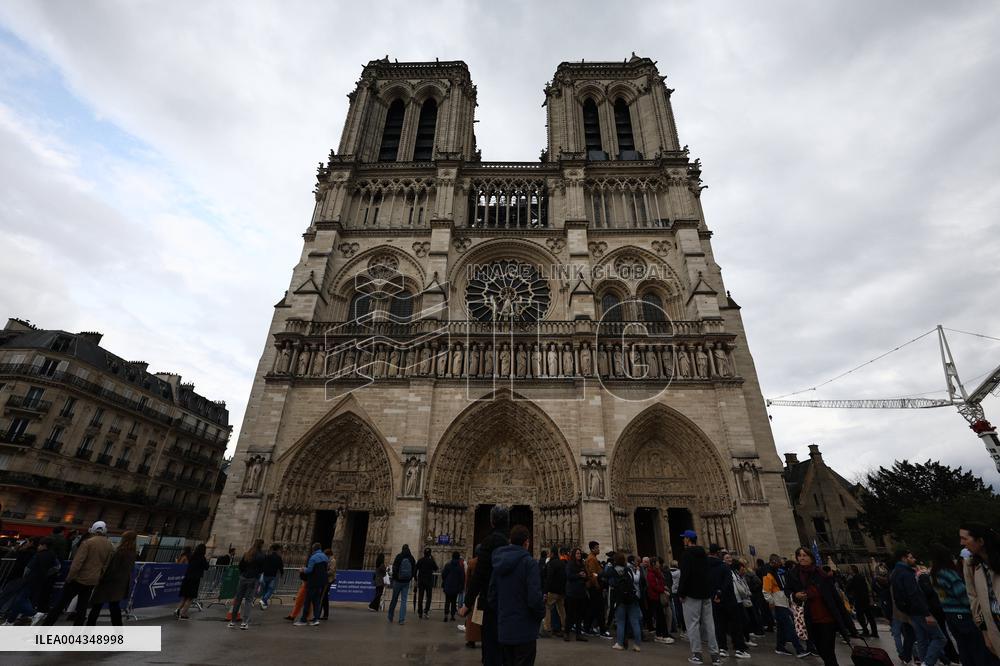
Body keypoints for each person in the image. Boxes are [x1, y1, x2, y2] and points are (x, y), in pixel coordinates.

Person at [929, 542, 999, 666]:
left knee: (964, 649)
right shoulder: (948, 573)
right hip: (963, 615)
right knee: (978, 648)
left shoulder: (933, 575)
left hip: (950, 616)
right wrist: (977, 604)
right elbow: (962, 595)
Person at [487, 524, 545, 666]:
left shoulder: (498, 562)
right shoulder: (529, 563)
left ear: (510, 540)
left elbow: (492, 596)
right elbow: (534, 598)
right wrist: (540, 614)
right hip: (525, 631)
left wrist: (503, 613)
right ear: (526, 543)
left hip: (505, 629)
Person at [460, 504, 510, 666]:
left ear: (492, 521)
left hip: (490, 601)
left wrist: (467, 603)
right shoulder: (512, 542)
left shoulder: (489, 542)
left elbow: (479, 575)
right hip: (509, 603)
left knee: (490, 644)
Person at [786, 546, 852, 666]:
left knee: (828, 651)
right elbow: (788, 590)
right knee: (821, 650)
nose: (802, 558)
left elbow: (835, 599)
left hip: (827, 618)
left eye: (804, 555)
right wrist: (795, 595)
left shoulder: (821, 574)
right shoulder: (793, 574)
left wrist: (848, 624)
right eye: (799, 555)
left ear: (811, 557)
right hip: (810, 619)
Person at [42, 521, 114, 626]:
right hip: (92, 580)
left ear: (93, 530)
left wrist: (70, 577)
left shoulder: (88, 543)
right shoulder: (109, 545)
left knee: (60, 605)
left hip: (78, 578)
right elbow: (106, 565)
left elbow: (77, 563)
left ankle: (44, 629)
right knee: (82, 607)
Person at [892, 547, 947, 666]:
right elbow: (914, 595)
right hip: (919, 611)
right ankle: (927, 663)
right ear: (903, 558)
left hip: (911, 612)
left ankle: (924, 661)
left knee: (922, 640)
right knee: (940, 638)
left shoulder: (895, 573)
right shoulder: (906, 573)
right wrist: (926, 613)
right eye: (911, 557)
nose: (914, 559)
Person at [678, 530, 720, 665]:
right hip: (706, 594)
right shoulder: (704, 555)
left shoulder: (686, 555)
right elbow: (708, 574)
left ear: (688, 540)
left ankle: (697, 654)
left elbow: (685, 575)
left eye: (684, 538)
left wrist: (681, 593)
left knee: (693, 624)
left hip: (692, 594)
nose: (683, 540)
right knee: (710, 624)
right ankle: (715, 655)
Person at [960, 523, 1000, 661]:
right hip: (995, 628)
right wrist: (985, 632)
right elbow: (974, 599)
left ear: (981, 541)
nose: (962, 543)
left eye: (965, 538)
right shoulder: (971, 565)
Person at [85, 530, 136, 626]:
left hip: (109, 582)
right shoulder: (132, 552)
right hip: (121, 583)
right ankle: (118, 628)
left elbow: (112, 568)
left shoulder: (120, 552)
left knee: (97, 605)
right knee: (114, 606)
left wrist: (102, 578)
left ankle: (90, 625)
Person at [763, 553, 808, 657]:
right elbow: (766, 591)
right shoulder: (768, 574)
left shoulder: (776, 572)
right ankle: (799, 649)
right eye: (778, 562)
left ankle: (780, 647)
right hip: (778, 604)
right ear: (773, 562)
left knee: (782, 627)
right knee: (789, 626)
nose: (780, 564)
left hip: (782, 602)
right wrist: (771, 602)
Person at [714, 550, 751, 659]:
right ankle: (727, 648)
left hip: (736, 600)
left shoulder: (733, 571)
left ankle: (739, 646)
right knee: (727, 626)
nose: (729, 559)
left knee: (737, 625)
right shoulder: (722, 570)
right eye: (727, 558)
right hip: (726, 601)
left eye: (730, 558)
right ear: (722, 560)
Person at [607, 552, 643, 652]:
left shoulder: (613, 570)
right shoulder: (628, 569)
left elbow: (607, 579)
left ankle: (619, 643)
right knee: (635, 622)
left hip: (620, 599)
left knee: (621, 622)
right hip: (631, 598)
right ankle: (637, 645)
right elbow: (633, 581)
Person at [230, 539, 265, 630]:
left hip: (243, 578)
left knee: (238, 599)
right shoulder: (261, 556)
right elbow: (262, 569)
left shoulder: (247, 554)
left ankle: (232, 622)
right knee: (248, 601)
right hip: (253, 579)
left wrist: (243, 573)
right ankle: (244, 622)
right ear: (261, 545)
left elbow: (240, 566)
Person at [294, 543, 329, 627]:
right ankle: (316, 619)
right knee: (316, 601)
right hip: (321, 582)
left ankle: (303, 620)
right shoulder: (325, 557)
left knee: (307, 601)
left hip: (312, 582)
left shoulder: (313, 558)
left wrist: (302, 569)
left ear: (313, 549)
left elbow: (309, 570)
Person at [175, 543, 209, 620]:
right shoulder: (202, 558)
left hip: (187, 577)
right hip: (195, 579)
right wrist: (206, 560)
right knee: (190, 597)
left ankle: (177, 610)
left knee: (184, 596)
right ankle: (183, 614)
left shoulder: (192, 556)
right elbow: (206, 567)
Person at [647, 557, 675, 644]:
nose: (659, 564)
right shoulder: (651, 574)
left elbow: (660, 583)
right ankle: (664, 635)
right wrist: (663, 590)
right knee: (661, 616)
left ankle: (659, 634)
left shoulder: (657, 573)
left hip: (659, 596)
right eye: (657, 563)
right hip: (655, 597)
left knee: (661, 616)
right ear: (653, 564)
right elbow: (654, 586)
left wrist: (664, 588)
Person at [846, 564, 879, 638]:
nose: (848, 570)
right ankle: (874, 632)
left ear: (852, 570)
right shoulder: (861, 577)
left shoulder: (854, 578)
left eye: (849, 569)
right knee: (870, 617)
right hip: (865, 599)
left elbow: (848, 588)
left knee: (860, 616)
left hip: (860, 600)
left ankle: (865, 630)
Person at [542, 546, 568, 637]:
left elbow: (549, 578)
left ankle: (547, 629)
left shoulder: (551, 563)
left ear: (552, 553)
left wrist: (545, 591)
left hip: (553, 591)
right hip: (561, 591)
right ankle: (565, 628)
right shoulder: (562, 563)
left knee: (547, 607)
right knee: (562, 610)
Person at [387, 544, 416, 625]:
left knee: (394, 599)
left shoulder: (399, 556)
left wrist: (396, 578)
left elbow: (394, 568)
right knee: (404, 601)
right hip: (406, 582)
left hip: (398, 582)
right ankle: (401, 620)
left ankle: (390, 616)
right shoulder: (411, 558)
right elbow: (414, 569)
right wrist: (410, 578)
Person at [564, 547, 589, 642]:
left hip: (581, 592)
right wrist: (579, 575)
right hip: (572, 592)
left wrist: (585, 576)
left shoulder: (582, 564)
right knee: (570, 614)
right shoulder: (570, 564)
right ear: (574, 555)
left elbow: (587, 576)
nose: (579, 555)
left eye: (579, 553)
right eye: (577, 553)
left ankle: (579, 634)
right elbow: (569, 576)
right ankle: (566, 633)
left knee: (579, 614)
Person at [585, 540, 608, 636]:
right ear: (592, 549)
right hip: (595, 587)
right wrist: (597, 585)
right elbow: (592, 574)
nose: (599, 549)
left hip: (595, 586)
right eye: (597, 548)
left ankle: (588, 628)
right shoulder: (591, 559)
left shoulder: (593, 558)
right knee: (599, 609)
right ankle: (602, 630)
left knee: (594, 609)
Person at [465, 546, 482, 649]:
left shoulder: (471, 562)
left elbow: (467, 580)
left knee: (471, 616)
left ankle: (471, 639)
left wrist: (467, 591)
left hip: (473, 592)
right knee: (483, 616)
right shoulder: (488, 562)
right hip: (483, 592)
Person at [258, 543, 284, 610]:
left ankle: (264, 605)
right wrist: (282, 574)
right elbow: (281, 567)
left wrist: (261, 572)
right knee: (270, 590)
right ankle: (263, 600)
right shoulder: (278, 557)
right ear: (278, 549)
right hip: (272, 575)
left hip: (266, 574)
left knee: (265, 589)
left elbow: (263, 564)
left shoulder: (267, 556)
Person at [441, 551, 465, 622]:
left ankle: (446, 615)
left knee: (447, 601)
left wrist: (445, 581)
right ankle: (452, 616)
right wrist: (461, 587)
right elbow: (462, 578)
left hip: (448, 586)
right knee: (454, 602)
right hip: (455, 587)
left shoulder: (448, 565)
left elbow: (443, 575)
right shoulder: (460, 567)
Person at [416, 547, 438, 620]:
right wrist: (432, 559)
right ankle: (426, 611)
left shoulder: (420, 560)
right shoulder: (431, 561)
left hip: (421, 581)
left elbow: (416, 568)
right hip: (429, 581)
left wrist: (416, 579)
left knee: (420, 597)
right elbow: (436, 568)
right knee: (429, 597)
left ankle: (420, 612)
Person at [318, 548, 337, 621]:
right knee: (324, 597)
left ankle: (320, 614)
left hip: (329, 580)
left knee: (322, 597)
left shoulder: (332, 560)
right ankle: (325, 614)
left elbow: (332, 571)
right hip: (326, 580)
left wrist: (324, 573)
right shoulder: (329, 560)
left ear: (328, 554)